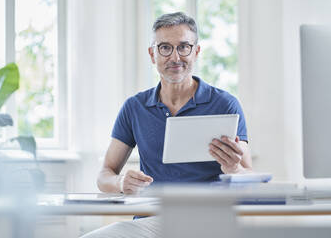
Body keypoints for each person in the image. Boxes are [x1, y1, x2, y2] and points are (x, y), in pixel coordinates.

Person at [81, 12, 252, 238]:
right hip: (151, 222)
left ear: (196, 52)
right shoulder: (135, 107)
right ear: (153, 54)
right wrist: (121, 182)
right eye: (165, 48)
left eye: (183, 47)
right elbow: (104, 175)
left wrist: (234, 169)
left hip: (209, 221)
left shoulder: (225, 104)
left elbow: (249, 178)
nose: (175, 57)